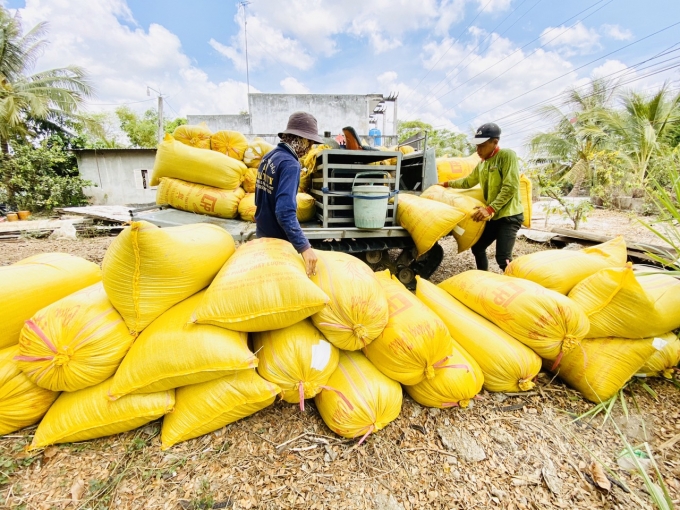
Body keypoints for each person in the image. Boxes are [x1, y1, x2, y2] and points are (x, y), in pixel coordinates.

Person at [439, 122, 523, 272]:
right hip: (495, 215)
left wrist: (490, 209)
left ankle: (520, 288)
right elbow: (467, 182)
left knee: (503, 258)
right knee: (478, 247)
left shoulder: (506, 156)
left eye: (482, 145)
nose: (478, 150)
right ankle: (482, 279)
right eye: (476, 146)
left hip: (509, 216)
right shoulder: (482, 164)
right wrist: (445, 184)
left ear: (495, 142)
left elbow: (510, 186)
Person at [255, 111, 323, 277]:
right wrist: (305, 248)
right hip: (278, 245)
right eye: (311, 142)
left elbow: (258, 199)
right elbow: (284, 212)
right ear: (302, 140)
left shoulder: (268, 157)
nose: (310, 148)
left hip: (262, 237)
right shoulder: (291, 164)